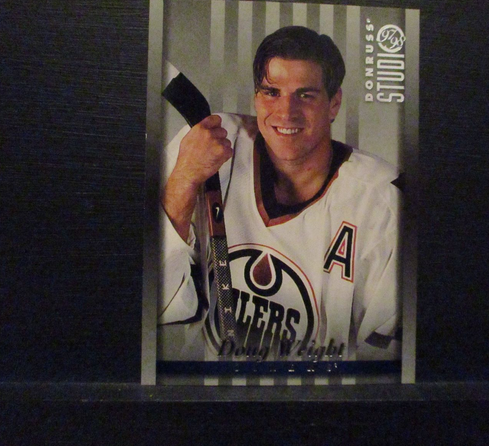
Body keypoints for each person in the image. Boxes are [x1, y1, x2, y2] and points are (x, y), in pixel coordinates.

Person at [158, 26, 401, 362]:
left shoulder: (385, 203)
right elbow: (160, 303)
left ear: (334, 103)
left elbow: (396, 364)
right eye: (271, 92)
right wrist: (184, 178)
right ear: (256, 98)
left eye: (305, 95)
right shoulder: (207, 146)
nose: (286, 112)